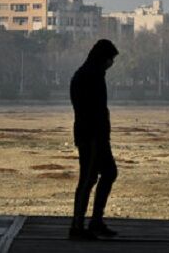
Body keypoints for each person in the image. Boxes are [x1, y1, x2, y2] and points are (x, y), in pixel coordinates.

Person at [68, 39, 119, 240]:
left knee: (108, 173)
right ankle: (78, 226)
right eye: (110, 59)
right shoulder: (89, 76)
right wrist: (97, 136)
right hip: (91, 136)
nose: (111, 63)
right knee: (88, 179)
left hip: (96, 135)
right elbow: (90, 110)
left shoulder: (90, 74)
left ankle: (95, 221)